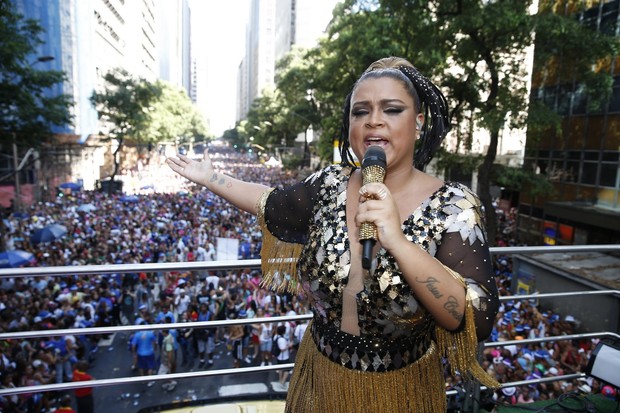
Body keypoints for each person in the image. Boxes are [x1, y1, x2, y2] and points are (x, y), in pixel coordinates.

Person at [167, 56, 499, 412]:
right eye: (360, 111)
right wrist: (210, 178)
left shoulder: (454, 204)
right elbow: (267, 201)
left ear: (418, 122)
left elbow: (473, 319)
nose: (374, 120)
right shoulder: (327, 184)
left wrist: (398, 242)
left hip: (401, 393)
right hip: (319, 382)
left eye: (391, 109)